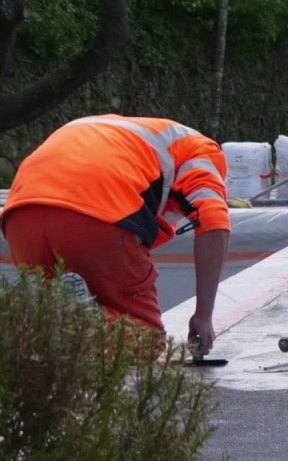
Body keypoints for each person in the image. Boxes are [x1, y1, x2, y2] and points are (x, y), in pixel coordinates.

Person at [1, 114, 231, 355]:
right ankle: (79, 319)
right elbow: (213, 221)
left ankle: (20, 318)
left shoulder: (118, 135)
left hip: (20, 219)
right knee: (145, 338)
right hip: (96, 214)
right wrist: (204, 316)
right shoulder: (203, 153)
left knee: (50, 340)